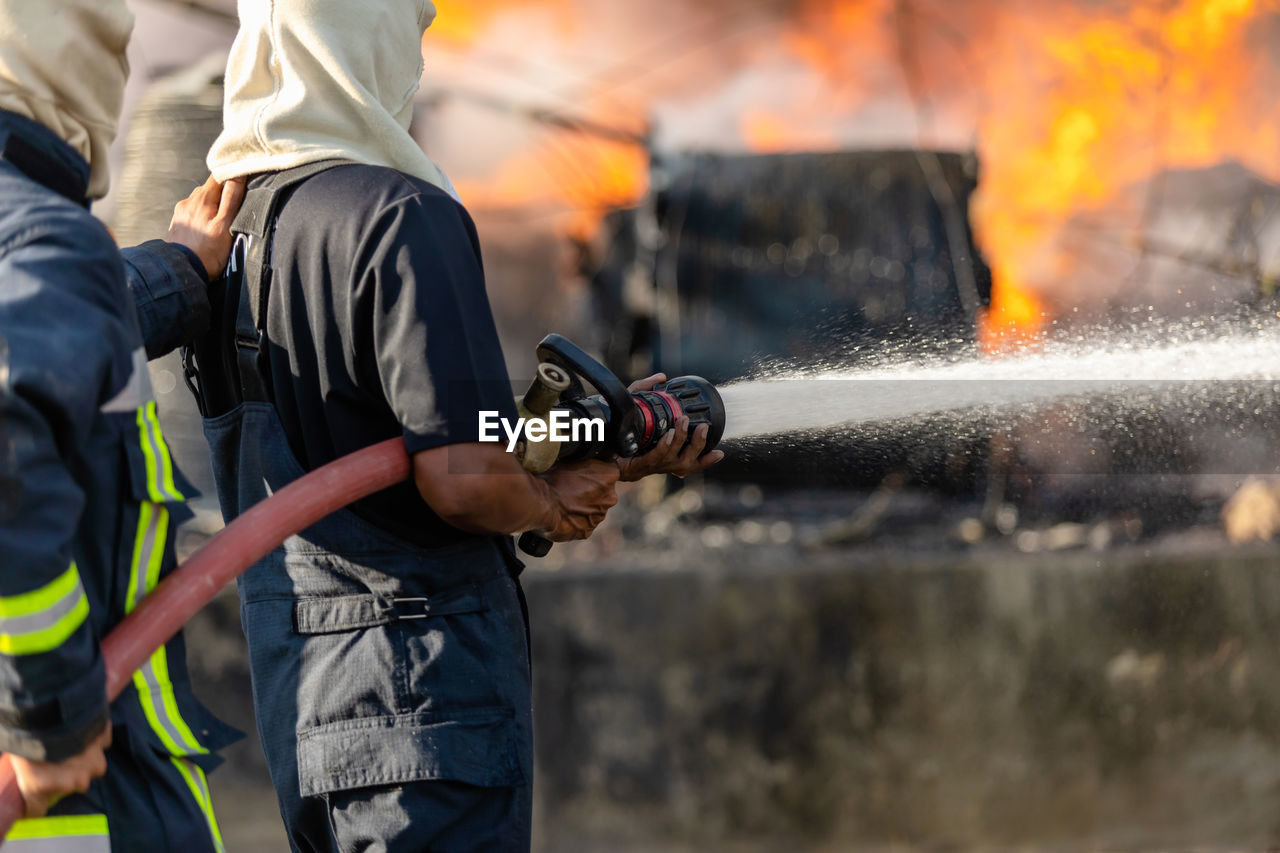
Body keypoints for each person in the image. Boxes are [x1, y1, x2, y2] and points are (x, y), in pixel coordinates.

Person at [151, 0, 721, 850]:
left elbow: (404, 429)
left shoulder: (221, 234)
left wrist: (570, 443)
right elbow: (457, 472)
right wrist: (545, 504)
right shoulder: (399, 213)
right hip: (421, 699)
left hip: (305, 701)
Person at [0, 1, 246, 849]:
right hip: (74, 797)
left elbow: (55, 341)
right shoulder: (42, 238)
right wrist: (51, 711)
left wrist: (177, 271)